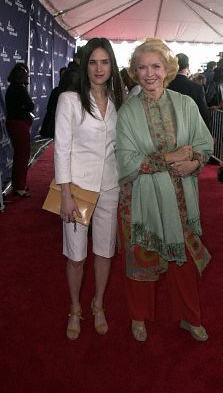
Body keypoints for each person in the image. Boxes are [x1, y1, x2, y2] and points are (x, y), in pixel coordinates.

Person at [116, 38, 213, 343]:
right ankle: (139, 317)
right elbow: (127, 161)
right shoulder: (127, 112)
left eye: (155, 66)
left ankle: (190, 317)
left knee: (181, 261)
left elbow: (203, 144)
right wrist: (170, 158)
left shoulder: (185, 104)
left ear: (167, 68)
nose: (149, 73)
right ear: (134, 71)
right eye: (142, 67)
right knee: (141, 261)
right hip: (140, 200)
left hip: (181, 197)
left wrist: (195, 162)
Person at [54, 37, 124, 340]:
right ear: (84, 64)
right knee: (76, 256)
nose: (99, 68)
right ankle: (74, 308)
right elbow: (61, 150)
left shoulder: (120, 99)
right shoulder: (69, 99)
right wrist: (65, 195)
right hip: (78, 189)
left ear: (112, 65)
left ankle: (97, 304)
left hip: (110, 186)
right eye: (93, 61)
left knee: (105, 252)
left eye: (104, 61)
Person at [5, 63, 34, 197]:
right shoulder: (19, 89)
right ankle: (19, 186)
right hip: (19, 125)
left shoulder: (11, 88)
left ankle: (18, 184)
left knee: (19, 155)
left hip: (14, 124)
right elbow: (30, 105)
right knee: (22, 155)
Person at [168, 53, 210, 127]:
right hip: (190, 127)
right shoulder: (197, 87)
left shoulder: (165, 85)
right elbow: (203, 112)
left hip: (169, 127)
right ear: (188, 66)